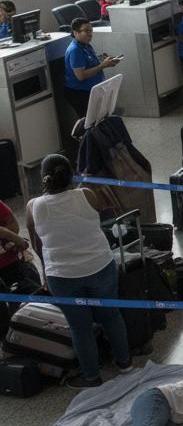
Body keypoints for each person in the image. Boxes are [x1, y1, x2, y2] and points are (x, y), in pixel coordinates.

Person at [25, 154, 131, 390]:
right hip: (100, 266)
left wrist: (46, 269)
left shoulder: (34, 206)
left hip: (62, 276)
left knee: (79, 327)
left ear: (44, 179)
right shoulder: (87, 195)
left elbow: (36, 242)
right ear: (71, 174)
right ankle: (125, 364)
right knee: (111, 315)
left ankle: (92, 377)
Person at [63, 18, 120, 119]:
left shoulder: (86, 45)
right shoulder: (75, 50)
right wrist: (103, 65)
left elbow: (89, 63)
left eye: (91, 30)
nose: (90, 34)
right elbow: (81, 75)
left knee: (99, 120)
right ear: (76, 33)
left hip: (92, 89)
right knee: (89, 123)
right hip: (80, 92)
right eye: (86, 31)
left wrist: (106, 61)